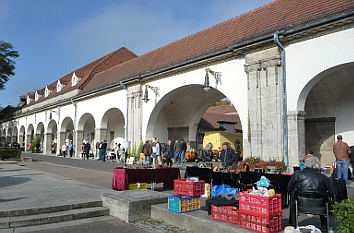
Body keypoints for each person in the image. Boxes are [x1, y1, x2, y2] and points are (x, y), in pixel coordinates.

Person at [288, 156, 330, 231]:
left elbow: (289, 188)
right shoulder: (324, 177)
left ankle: (293, 225)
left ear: (306, 164)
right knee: (325, 198)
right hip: (320, 206)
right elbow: (330, 191)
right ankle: (324, 227)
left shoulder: (297, 174)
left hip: (301, 205)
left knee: (293, 197)